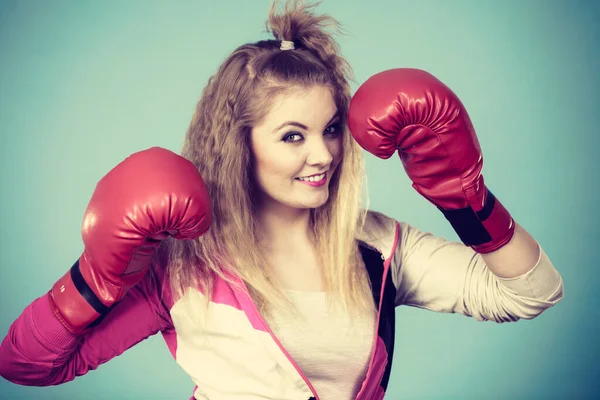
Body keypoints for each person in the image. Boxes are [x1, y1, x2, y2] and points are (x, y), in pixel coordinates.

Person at [0, 1, 564, 399]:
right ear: (238, 146)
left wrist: (466, 198)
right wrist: (93, 282)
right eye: (293, 135)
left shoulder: (378, 247)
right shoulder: (184, 265)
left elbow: (532, 293)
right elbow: (25, 366)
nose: (323, 155)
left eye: (332, 129)